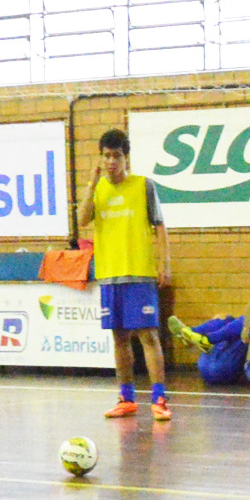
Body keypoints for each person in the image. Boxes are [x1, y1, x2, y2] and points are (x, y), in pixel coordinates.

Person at [83, 128, 171, 423]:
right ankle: (126, 398)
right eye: (106, 156)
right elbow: (82, 220)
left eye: (117, 156)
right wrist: (91, 183)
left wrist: (165, 263)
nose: (111, 162)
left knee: (148, 335)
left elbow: (160, 227)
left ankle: (159, 399)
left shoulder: (144, 186)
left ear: (126, 158)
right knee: (119, 338)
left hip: (139, 272)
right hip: (110, 275)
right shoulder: (97, 189)